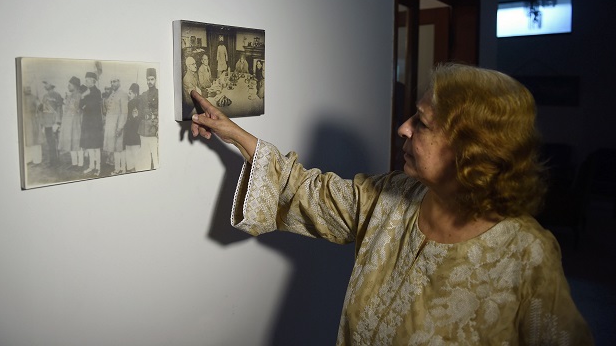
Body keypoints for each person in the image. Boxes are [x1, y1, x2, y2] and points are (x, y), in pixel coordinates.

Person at [189, 63, 593, 345]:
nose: (403, 128)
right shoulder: (393, 197)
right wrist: (237, 135)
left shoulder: (526, 254)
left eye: (422, 123)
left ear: (471, 151)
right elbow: (310, 192)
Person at [103, 77, 128, 175]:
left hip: (118, 126)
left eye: (115, 81)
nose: (113, 83)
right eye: (111, 81)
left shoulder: (123, 94)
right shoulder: (112, 95)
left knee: (119, 149)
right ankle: (118, 168)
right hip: (111, 126)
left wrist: (120, 127)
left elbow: (124, 113)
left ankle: (122, 169)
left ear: (119, 82)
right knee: (115, 149)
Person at [80, 71, 103, 176]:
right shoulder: (85, 91)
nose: (86, 82)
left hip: (95, 123)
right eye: (85, 80)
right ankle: (91, 166)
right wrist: (83, 97)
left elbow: (92, 106)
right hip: (87, 122)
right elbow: (80, 105)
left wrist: (85, 103)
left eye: (87, 80)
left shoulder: (97, 92)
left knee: (96, 147)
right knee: (89, 146)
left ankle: (98, 167)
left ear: (93, 81)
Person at [58, 76, 83, 168]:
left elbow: (74, 109)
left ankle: (80, 163)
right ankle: (74, 163)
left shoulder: (78, 95)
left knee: (77, 142)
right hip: (69, 123)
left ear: (75, 86)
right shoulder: (70, 96)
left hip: (76, 122)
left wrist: (68, 100)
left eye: (70, 85)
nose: (68, 86)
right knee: (72, 142)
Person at [137, 68, 159, 171]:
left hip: (153, 128)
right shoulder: (143, 95)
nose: (149, 82)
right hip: (144, 128)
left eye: (152, 79)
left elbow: (160, 110)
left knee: (155, 154)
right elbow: (140, 111)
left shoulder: (159, 94)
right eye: (148, 79)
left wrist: (156, 123)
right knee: (145, 154)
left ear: (155, 80)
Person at [39, 80, 63, 166]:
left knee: (55, 142)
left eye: (46, 83)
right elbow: (42, 111)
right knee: (49, 143)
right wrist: (43, 124)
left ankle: (57, 161)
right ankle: (52, 161)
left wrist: (58, 122)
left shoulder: (57, 95)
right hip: (47, 123)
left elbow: (60, 109)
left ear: (51, 85)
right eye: (44, 84)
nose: (45, 85)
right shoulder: (45, 96)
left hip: (53, 123)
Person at [22, 85, 42, 165]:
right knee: (26, 140)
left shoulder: (33, 97)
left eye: (29, 88)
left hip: (33, 120)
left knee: (35, 140)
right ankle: (28, 159)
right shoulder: (20, 97)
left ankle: (37, 160)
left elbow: (40, 107)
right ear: (23, 89)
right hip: (24, 121)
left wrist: (38, 103)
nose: (29, 89)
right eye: (27, 88)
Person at [123, 83, 141, 172]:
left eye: (131, 92)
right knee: (129, 151)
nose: (128, 94)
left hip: (135, 131)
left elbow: (138, 117)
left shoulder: (139, 102)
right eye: (128, 92)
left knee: (135, 151)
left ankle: (137, 169)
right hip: (129, 130)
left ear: (136, 93)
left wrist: (136, 116)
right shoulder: (129, 103)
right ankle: (130, 168)